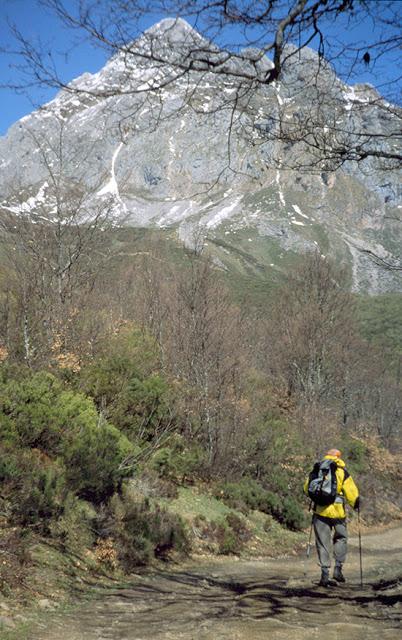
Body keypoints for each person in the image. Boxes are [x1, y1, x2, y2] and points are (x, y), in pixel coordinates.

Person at [304, 448, 360, 587]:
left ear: (327, 456)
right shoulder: (342, 471)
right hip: (338, 513)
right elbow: (351, 492)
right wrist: (356, 504)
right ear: (339, 457)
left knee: (323, 542)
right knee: (341, 538)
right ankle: (338, 569)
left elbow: (306, 488)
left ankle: (324, 573)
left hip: (320, 512)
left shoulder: (317, 469)